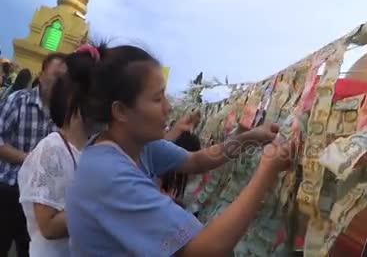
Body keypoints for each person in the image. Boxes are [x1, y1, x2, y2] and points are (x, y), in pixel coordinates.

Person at [66, 44, 296, 256]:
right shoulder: (110, 174)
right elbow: (204, 249)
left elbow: (197, 161)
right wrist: (267, 170)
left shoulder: (138, 147)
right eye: (157, 99)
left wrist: (248, 139)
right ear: (121, 111)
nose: (169, 107)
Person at [17, 49, 96, 256]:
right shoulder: (53, 148)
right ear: (76, 101)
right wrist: (101, 202)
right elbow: (49, 227)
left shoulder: (91, 150)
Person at [0, 53, 67, 257]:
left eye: (64, 80)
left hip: (41, 201)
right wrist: (29, 159)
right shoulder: (19, 101)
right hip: (9, 188)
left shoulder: (66, 115)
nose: (59, 83)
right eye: (55, 76)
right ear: (42, 74)